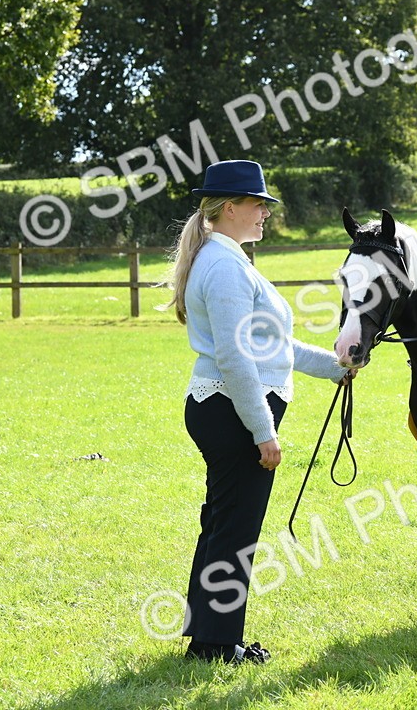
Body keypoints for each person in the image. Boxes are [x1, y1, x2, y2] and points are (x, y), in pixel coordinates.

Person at [159, 159, 351, 664]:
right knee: (236, 529)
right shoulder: (224, 267)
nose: (266, 212)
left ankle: (204, 631)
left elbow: (271, 345)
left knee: (223, 522)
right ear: (228, 208)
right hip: (233, 411)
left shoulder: (231, 260)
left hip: (226, 407)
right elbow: (236, 358)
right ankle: (218, 646)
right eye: (258, 204)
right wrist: (263, 431)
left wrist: (335, 367)